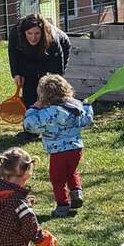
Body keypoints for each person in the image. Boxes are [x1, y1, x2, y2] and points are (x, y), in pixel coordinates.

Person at [22, 74, 94, 217]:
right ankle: (76, 193)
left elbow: (30, 126)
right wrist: (87, 106)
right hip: (76, 149)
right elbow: (86, 120)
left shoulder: (48, 112)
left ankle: (62, 205)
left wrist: (33, 110)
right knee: (71, 171)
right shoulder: (76, 106)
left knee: (58, 179)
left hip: (58, 151)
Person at [8, 13, 71, 135]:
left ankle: (53, 123)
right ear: (23, 32)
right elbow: (13, 54)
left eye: (37, 33)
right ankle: (31, 129)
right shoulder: (15, 33)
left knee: (51, 89)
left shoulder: (52, 39)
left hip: (53, 53)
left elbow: (57, 73)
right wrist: (16, 73)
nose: (33, 37)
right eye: (29, 34)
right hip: (27, 55)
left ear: (42, 32)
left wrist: (47, 93)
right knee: (29, 88)